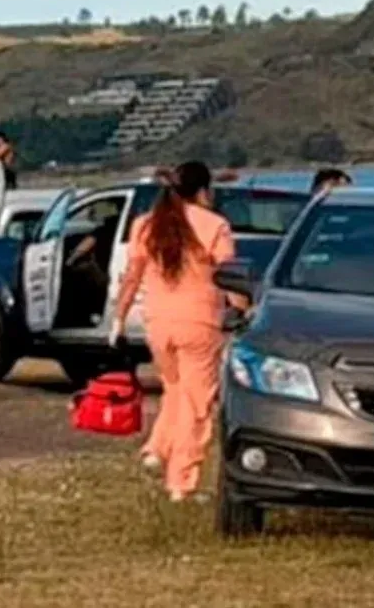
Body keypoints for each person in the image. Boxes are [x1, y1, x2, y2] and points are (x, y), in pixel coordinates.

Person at [112, 161, 246, 503]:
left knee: (175, 390)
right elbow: (228, 276)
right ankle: (181, 481)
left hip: (158, 322)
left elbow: (132, 276)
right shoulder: (214, 225)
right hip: (199, 321)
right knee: (197, 403)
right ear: (203, 191)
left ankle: (158, 447)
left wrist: (119, 318)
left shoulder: (145, 225)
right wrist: (246, 309)